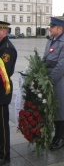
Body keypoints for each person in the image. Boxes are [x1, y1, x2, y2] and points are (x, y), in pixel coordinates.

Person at [43, 17, 64, 151]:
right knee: (54, 108)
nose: (50, 28)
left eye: (52, 26)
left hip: (59, 80)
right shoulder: (51, 41)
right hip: (49, 78)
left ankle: (62, 138)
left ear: (60, 29)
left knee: (61, 108)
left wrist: (50, 80)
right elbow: (45, 59)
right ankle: (57, 136)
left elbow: (62, 66)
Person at [0, 22, 17, 165]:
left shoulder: (7, 49)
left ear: (3, 31)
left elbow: (5, 72)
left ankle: (5, 154)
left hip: (1, 91)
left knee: (2, 124)